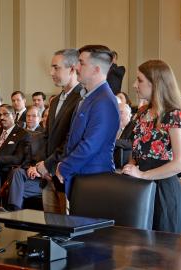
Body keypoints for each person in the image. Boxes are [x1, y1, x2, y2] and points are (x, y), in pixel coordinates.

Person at [122, 59, 181, 233]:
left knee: (163, 251)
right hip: (140, 185)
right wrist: (132, 165)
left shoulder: (174, 115)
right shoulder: (143, 112)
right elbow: (137, 150)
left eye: (140, 80)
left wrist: (143, 175)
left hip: (163, 189)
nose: (134, 84)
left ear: (156, 84)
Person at [53, 45, 120, 200]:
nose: (76, 67)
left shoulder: (104, 101)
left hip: (94, 181)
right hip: (81, 177)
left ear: (96, 69)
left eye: (81, 63)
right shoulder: (89, 96)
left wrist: (64, 167)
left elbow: (91, 145)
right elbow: (72, 137)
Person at [35, 49, 83, 214]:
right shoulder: (55, 101)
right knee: (51, 229)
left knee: (66, 229)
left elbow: (71, 140)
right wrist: (43, 165)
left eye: (56, 68)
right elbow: (46, 136)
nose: (51, 72)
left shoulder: (81, 99)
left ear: (72, 69)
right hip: (48, 176)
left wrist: (49, 165)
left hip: (65, 175)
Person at [0, 104, 29, 182]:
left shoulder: (22, 134)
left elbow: (18, 158)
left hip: (5, 171)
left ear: (14, 116)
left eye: (5, 114)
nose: (1, 118)